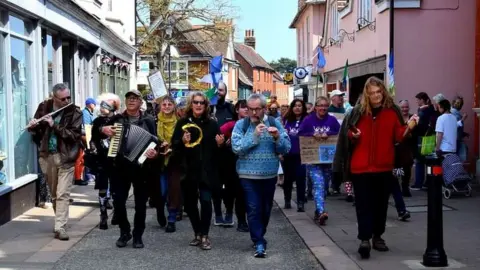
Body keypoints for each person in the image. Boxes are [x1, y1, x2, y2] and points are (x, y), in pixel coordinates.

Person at [334, 77, 418, 259]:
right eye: (371, 93)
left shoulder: (392, 111)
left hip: (383, 167)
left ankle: (377, 236)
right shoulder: (357, 112)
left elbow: (398, 136)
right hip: (360, 167)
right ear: (366, 94)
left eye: (378, 92)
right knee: (363, 205)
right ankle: (364, 239)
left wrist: (408, 127)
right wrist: (353, 134)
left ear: (383, 91)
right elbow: (347, 135)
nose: (376, 96)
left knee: (381, 205)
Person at [231, 93, 291, 258]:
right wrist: (254, 136)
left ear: (264, 108)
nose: (253, 113)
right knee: (253, 208)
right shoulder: (241, 125)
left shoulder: (274, 123)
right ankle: (258, 241)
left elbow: (286, 148)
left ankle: (259, 234)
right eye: (250, 109)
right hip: (247, 175)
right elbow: (236, 148)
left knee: (265, 209)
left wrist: (277, 137)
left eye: (257, 109)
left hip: (269, 175)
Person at [101, 89, 161, 249]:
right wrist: (103, 130)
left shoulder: (148, 120)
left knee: (140, 204)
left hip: (141, 167)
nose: (131, 101)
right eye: (129, 98)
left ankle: (138, 235)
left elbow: (155, 141)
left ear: (140, 102)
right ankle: (124, 231)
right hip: (120, 166)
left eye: (135, 98)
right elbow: (96, 132)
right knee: (119, 202)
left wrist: (153, 153)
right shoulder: (117, 119)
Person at [28, 83, 83, 241]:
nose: (67, 100)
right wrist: (33, 126)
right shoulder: (44, 107)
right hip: (47, 155)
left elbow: (74, 135)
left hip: (66, 156)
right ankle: (60, 220)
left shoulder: (75, 111)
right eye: (63, 98)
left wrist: (55, 125)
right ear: (54, 98)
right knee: (54, 195)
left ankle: (60, 226)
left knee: (62, 194)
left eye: (68, 97)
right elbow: (36, 132)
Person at [171, 91, 222, 250]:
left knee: (206, 202)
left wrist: (220, 145)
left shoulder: (212, 123)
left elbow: (218, 150)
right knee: (191, 204)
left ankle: (205, 235)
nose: (198, 105)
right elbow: (174, 145)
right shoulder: (182, 123)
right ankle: (197, 233)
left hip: (207, 171)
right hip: (189, 170)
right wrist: (182, 141)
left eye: (202, 103)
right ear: (191, 104)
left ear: (206, 106)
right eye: (196, 102)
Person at [298, 96, 340, 225]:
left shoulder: (332, 120)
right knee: (318, 184)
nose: (323, 108)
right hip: (313, 160)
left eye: (325, 106)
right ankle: (322, 211)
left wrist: (329, 134)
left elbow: (339, 134)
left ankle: (318, 210)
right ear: (315, 107)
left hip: (327, 161)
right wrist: (312, 134)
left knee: (325, 186)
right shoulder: (308, 120)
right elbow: (299, 134)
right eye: (320, 105)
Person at [89, 93, 121, 230]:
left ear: (113, 107)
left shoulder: (119, 119)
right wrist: (93, 145)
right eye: (101, 105)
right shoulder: (97, 121)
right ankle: (103, 215)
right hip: (101, 159)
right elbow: (93, 137)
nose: (102, 108)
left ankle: (117, 212)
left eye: (106, 106)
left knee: (116, 187)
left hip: (116, 160)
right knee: (102, 186)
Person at [219, 100, 249, 232]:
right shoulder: (230, 125)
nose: (246, 110)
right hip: (229, 161)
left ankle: (242, 221)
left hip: (246, 162)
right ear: (237, 110)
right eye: (243, 108)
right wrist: (224, 142)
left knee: (242, 192)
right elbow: (218, 136)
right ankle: (229, 211)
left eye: (248, 107)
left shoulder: (253, 125)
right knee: (229, 190)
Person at [211, 82, 236, 226]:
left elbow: (238, 125)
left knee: (230, 186)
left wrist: (232, 138)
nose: (218, 92)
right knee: (215, 186)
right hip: (213, 155)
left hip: (228, 155)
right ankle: (218, 214)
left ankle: (229, 212)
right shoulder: (207, 110)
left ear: (225, 92)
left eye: (220, 90)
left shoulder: (231, 109)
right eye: (215, 90)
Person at [156, 95, 180, 233]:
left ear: (173, 106)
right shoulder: (155, 121)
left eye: (169, 104)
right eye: (164, 104)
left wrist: (172, 147)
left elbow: (183, 140)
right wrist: (160, 144)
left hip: (174, 160)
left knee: (174, 190)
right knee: (162, 191)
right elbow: (151, 137)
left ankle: (171, 218)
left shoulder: (179, 121)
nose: (166, 107)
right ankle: (161, 209)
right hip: (159, 161)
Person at [281, 99, 308, 212]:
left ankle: (300, 203)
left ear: (303, 108)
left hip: (301, 155)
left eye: (300, 106)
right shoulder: (286, 120)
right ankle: (287, 200)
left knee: (301, 178)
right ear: (292, 108)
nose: (297, 108)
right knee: (288, 179)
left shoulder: (307, 120)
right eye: (295, 106)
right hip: (288, 155)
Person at [411, 92, 437, 190]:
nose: (417, 101)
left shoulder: (423, 110)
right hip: (430, 138)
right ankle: (428, 183)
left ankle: (418, 183)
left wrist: (415, 122)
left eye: (418, 99)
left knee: (419, 161)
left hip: (421, 138)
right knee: (429, 161)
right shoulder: (431, 109)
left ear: (422, 99)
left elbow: (421, 125)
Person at [75, 98, 97, 186]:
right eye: (94, 104)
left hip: (84, 138)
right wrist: (88, 142)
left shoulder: (88, 113)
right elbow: (87, 128)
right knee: (80, 159)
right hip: (83, 139)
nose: (95, 106)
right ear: (90, 104)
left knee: (82, 159)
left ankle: (80, 177)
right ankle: (78, 178)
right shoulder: (85, 113)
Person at [451, 96, 468, 161]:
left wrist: (463, 133)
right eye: (456, 102)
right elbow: (454, 126)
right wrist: (463, 119)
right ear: (453, 102)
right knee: (455, 158)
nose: (457, 104)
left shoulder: (456, 112)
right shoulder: (453, 112)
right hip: (455, 140)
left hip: (457, 139)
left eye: (459, 103)